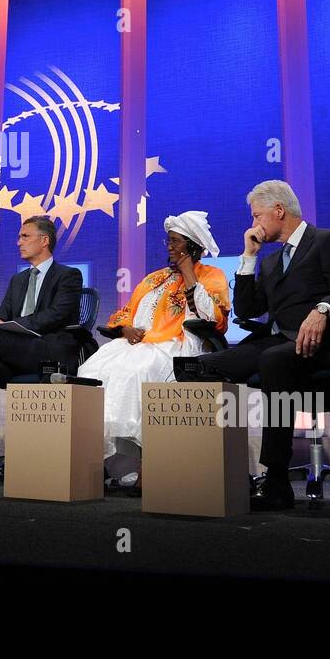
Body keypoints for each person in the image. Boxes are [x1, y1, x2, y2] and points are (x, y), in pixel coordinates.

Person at [201, 180, 330, 510]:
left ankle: (276, 479)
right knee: (206, 366)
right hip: (277, 341)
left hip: (323, 343)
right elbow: (248, 310)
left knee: (274, 360)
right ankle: (210, 471)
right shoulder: (272, 262)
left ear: (279, 211)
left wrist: (322, 310)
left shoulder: (326, 240)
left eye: (257, 216)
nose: (254, 224)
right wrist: (248, 257)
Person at [78, 212, 230, 495]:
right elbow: (124, 313)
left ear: (192, 245)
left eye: (175, 242)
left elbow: (214, 318)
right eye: (168, 241)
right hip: (140, 342)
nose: (169, 247)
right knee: (91, 371)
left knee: (138, 371)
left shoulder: (212, 275)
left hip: (179, 342)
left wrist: (189, 273)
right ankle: (96, 462)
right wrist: (125, 330)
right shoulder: (154, 278)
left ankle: (150, 465)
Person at [0, 215, 83, 484]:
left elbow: (56, 316)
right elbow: (3, 316)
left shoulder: (68, 276)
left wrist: (10, 325)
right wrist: (1, 323)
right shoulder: (18, 280)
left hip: (50, 352)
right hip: (18, 352)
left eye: (25, 236)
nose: (18, 242)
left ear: (44, 241)